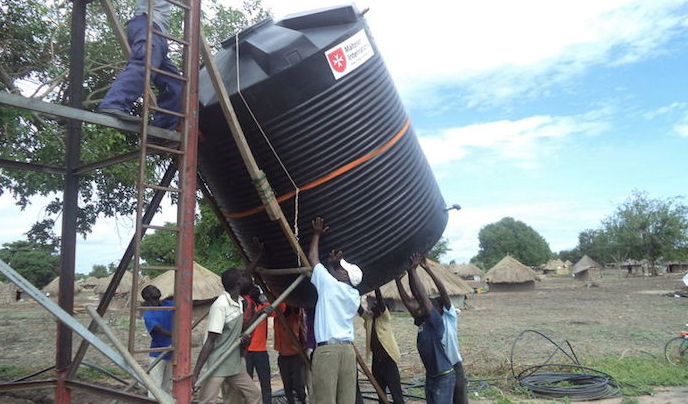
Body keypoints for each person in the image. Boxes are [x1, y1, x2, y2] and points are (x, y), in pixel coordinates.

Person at [97, 0, 182, 131]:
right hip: (147, 23)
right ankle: (114, 104)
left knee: (175, 84)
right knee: (144, 63)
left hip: (159, 34)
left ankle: (161, 129)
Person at [308, 216, 362, 404]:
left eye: (341, 268)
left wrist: (316, 234)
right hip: (348, 352)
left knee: (325, 400)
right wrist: (333, 266)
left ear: (345, 276)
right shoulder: (355, 296)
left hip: (328, 352)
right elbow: (336, 279)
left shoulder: (330, 286)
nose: (337, 269)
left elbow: (313, 259)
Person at [192, 268, 262, 404]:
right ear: (239, 283)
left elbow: (242, 329)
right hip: (218, 363)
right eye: (244, 277)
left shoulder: (239, 303)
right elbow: (210, 341)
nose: (249, 280)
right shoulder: (221, 305)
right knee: (207, 401)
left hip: (234, 363)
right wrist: (196, 373)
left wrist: (258, 315)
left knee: (254, 396)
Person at [395, 253, 455, 404]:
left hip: (444, 376)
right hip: (432, 376)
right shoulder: (422, 323)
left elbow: (423, 297)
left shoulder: (436, 323)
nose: (419, 307)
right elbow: (409, 301)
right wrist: (400, 279)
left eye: (424, 306)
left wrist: (414, 270)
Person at [419, 260, 469, 404]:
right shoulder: (432, 324)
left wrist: (428, 269)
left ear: (442, 309)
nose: (430, 309)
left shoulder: (450, 317)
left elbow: (443, 292)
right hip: (440, 370)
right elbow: (419, 295)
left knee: (460, 400)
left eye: (433, 307)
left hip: (455, 366)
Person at [359, 288, 405, 403]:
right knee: (380, 393)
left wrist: (376, 287)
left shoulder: (385, 318)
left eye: (376, 304)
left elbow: (381, 302)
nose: (374, 305)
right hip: (376, 362)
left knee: (396, 394)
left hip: (388, 360)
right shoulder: (369, 318)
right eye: (373, 304)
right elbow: (359, 309)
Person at [141, 285, 174, 398]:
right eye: (153, 289)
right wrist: (179, 336)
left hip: (170, 351)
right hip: (158, 354)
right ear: (147, 296)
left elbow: (190, 304)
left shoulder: (168, 304)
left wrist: (212, 299)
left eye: (156, 288)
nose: (157, 289)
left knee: (166, 387)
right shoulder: (149, 314)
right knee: (155, 387)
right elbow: (160, 330)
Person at [243, 284, 274, 404]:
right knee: (246, 385)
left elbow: (276, 310)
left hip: (260, 350)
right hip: (247, 351)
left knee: (265, 384)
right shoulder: (246, 307)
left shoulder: (264, 307)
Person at [274, 303, 307, 404]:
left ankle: (302, 401)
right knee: (287, 387)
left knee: (298, 385)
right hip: (283, 355)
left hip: (295, 354)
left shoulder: (295, 312)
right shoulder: (277, 315)